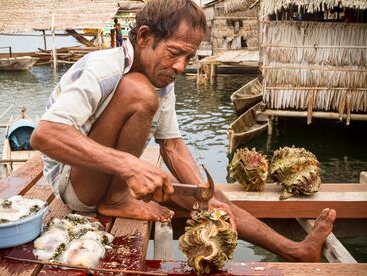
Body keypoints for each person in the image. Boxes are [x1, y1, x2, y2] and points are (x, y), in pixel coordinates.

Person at [31, 0, 336, 262]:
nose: (181, 66)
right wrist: (129, 165)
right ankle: (116, 198)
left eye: (188, 57)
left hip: (109, 176)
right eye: (174, 53)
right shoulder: (104, 67)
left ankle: (295, 250)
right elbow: (45, 135)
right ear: (144, 37)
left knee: (212, 198)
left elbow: (173, 147)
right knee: (138, 91)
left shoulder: (163, 80)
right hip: (73, 184)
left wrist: (204, 196)